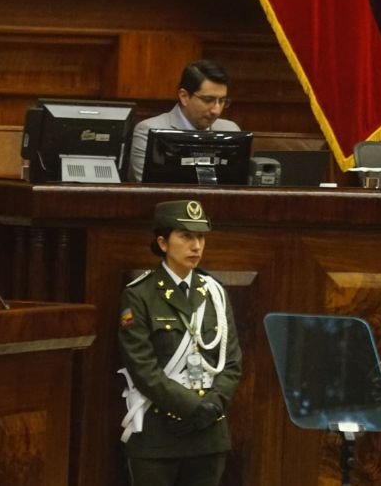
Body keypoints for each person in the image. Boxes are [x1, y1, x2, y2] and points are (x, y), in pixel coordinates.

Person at [117, 200, 242, 486]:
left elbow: (232, 363)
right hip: (158, 433)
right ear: (162, 243)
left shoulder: (215, 293)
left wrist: (210, 408)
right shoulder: (140, 295)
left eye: (200, 237)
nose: (196, 246)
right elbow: (143, 369)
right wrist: (194, 408)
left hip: (208, 435)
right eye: (186, 236)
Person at [130, 60, 240, 182]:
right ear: (184, 96)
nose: (216, 110)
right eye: (208, 100)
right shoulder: (148, 130)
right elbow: (151, 191)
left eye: (222, 101)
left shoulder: (231, 131)